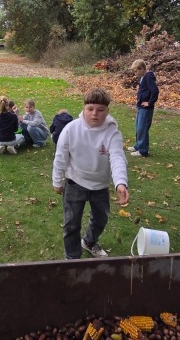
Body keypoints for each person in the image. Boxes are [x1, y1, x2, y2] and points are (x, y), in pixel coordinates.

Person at [52, 88, 129, 259]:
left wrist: (121, 183)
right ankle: (72, 257)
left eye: (101, 110)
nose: (95, 114)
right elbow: (60, 156)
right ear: (84, 108)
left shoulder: (112, 133)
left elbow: (117, 158)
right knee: (71, 223)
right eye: (90, 109)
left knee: (101, 219)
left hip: (100, 186)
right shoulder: (71, 129)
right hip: (75, 183)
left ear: (107, 111)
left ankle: (89, 241)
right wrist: (57, 180)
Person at [129, 59, 159, 158]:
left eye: (136, 71)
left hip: (146, 109)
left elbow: (155, 91)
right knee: (138, 127)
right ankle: (138, 146)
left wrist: (149, 103)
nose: (135, 73)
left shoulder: (148, 77)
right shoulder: (142, 77)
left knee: (143, 128)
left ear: (142, 69)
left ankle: (143, 151)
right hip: (140, 106)